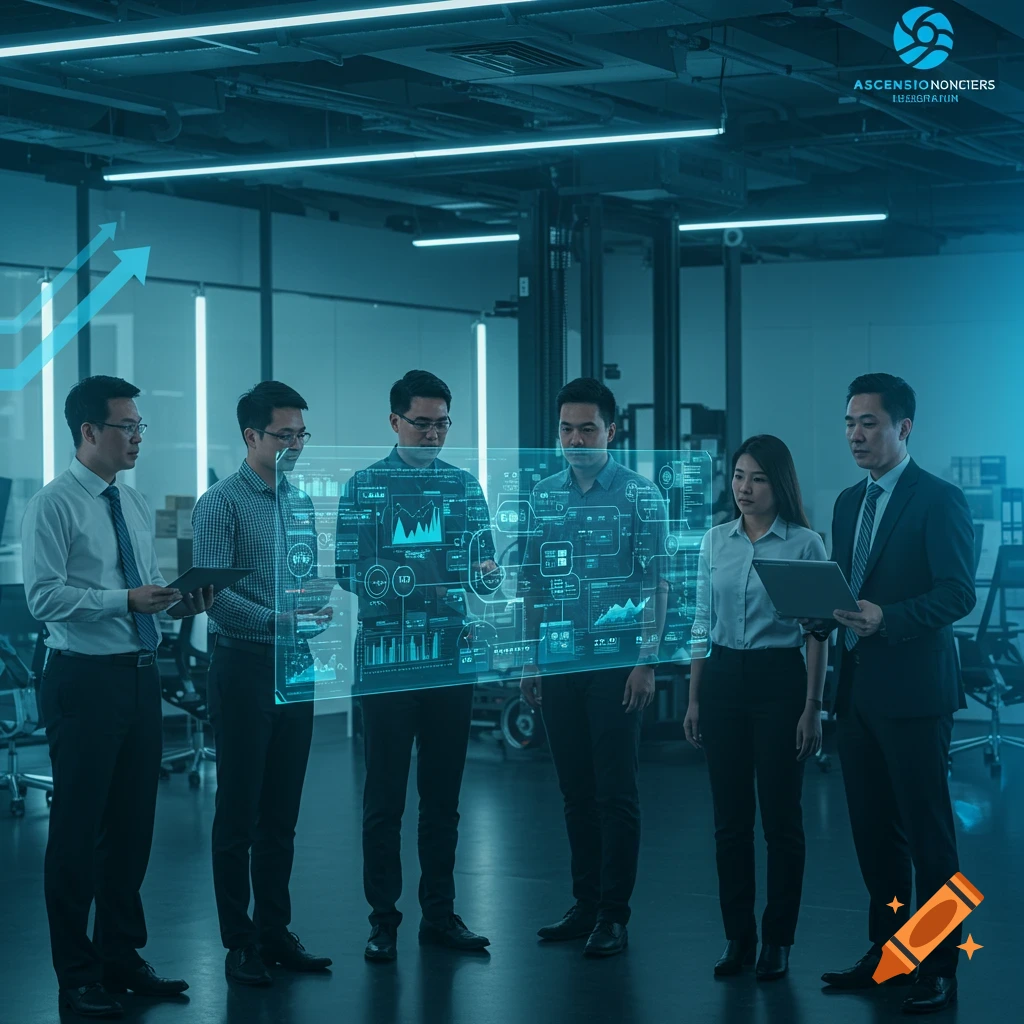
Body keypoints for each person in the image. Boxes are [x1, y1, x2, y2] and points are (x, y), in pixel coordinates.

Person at [22, 375, 212, 1019]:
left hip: (136, 673)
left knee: (132, 829)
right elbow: (42, 598)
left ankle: (121, 956)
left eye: (140, 426)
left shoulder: (129, 502)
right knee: (77, 832)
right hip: (81, 678)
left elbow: (149, 584)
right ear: (89, 432)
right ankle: (76, 972)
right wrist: (122, 600)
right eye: (127, 426)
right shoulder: (54, 505)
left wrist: (179, 599)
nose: (137, 437)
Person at [813, 374, 975, 1014]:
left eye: (869, 423)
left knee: (930, 838)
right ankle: (889, 953)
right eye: (850, 422)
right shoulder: (849, 502)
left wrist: (891, 618)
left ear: (903, 428)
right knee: (875, 838)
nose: (856, 434)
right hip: (856, 694)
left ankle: (939, 965)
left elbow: (956, 593)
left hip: (914, 696)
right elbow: (851, 590)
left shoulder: (940, 500)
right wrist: (821, 613)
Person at [337, 370, 497, 963]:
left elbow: (483, 569)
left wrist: (488, 577)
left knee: (443, 797)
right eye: (423, 422)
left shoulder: (464, 487)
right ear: (395, 421)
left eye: (442, 423)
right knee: (384, 798)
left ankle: (440, 913)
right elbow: (349, 570)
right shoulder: (365, 486)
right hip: (388, 660)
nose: (434, 434)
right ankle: (384, 920)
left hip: (451, 658)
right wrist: (422, 589)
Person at [520, 377, 668, 958]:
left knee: (616, 792)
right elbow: (531, 582)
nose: (575, 438)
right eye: (566, 428)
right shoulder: (544, 495)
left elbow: (657, 584)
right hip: (558, 660)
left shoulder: (640, 496)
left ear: (612, 430)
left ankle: (613, 913)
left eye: (587, 427)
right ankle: (584, 904)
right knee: (575, 792)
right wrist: (530, 657)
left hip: (616, 663)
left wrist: (646, 662)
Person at [192, 381, 333, 987]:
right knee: (239, 814)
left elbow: (307, 576)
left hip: (294, 664)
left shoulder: (299, 503)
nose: (296, 444)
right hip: (244, 663)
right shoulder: (218, 503)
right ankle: (239, 942)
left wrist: (313, 602)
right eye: (285, 435)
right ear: (251, 436)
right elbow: (216, 599)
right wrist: (284, 618)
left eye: (302, 434)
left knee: (282, 814)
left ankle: (275, 932)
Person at [683, 435, 828, 982]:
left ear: (779, 484)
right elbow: (700, 621)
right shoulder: (715, 541)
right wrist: (695, 697)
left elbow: (817, 634)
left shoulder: (805, 544)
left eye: (758, 479)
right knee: (729, 822)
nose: (744, 489)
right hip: (722, 679)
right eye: (739, 476)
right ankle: (738, 937)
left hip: (779, 681)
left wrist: (813, 706)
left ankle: (778, 940)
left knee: (782, 820)